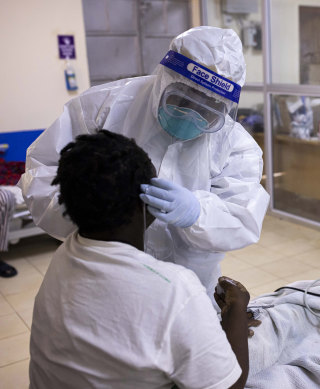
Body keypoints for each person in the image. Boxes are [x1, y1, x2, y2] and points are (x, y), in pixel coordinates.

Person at [18, 26, 269, 297]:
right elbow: (43, 170)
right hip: (103, 274)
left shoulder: (236, 145)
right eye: (181, 101)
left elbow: (242, 217)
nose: (191, 116)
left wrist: (197, 212)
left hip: (189, 284)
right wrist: (91, 211)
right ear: (165, 78)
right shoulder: (105, 106)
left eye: (208, 112)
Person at [30, 130, 251, 388]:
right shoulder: (175, 288)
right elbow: (230, 385)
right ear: (143, 204)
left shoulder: (65, 256)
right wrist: (237, 310)